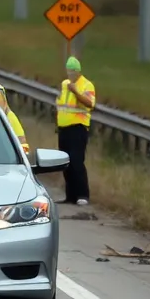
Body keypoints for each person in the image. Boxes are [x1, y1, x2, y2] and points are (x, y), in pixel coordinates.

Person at [57, 56, 96, 205]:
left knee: (76, 162)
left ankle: (82, 195)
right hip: (63, 128)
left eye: (72, 72)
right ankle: (70, 195)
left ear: (78, 71)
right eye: (68, 71)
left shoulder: (86, 85)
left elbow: (90, 104)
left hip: (78, 128)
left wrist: (75, 92)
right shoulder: (65, 84)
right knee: (65, 163)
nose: (70, 74)